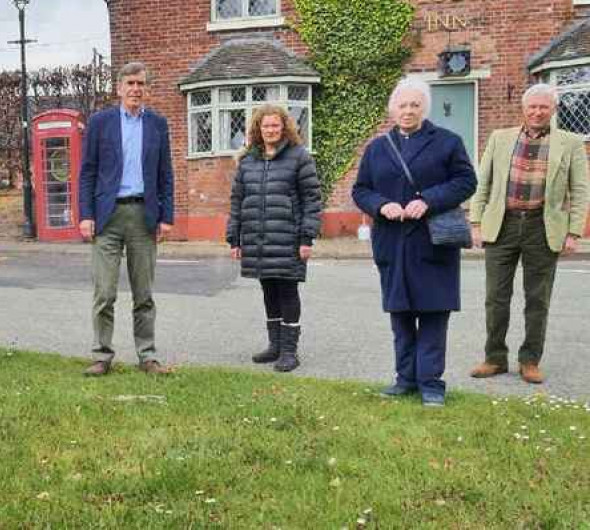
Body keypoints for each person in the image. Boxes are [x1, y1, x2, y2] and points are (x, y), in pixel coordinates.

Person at [352, 76, 477, 407]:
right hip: (393, 243)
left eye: (415, 105)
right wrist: (381, 205)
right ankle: (404, 379)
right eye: (402, 105)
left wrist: (429, 200)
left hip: (433, 242)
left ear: (425, 108)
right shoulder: (377, 148)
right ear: (393, 110)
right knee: (401, 315)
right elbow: (360, 189)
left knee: (434, 315)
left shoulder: (447, 142)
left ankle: (432, 383)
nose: (408, 111)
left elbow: (466, 181)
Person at [468, 84, 589, 384]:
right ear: (523, 109)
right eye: (532, 107)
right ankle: (494, 358)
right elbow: (483, 183)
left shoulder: (571, 143)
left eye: (543, 107)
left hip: (542, 227)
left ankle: (530, 360)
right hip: (502, 225)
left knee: (538, 299)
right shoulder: (500, 138)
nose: (537, 112)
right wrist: (476, 222)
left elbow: (580, 190)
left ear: (553, 110)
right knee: (496, 297)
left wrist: (573, 232)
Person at [78, 61, 175, 376]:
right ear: (118, 88)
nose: (135, 89)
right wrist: (86, 214)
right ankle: (101, 355)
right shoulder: (100, 123)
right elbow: (87, 172)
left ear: (147, 89)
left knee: (143, 294)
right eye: (130, 83)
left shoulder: (158, 125)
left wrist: (166, 216)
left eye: (141, 84)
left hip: (143, 215)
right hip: (107, 216)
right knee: (104, 292)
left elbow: (166, 174)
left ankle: (147, 355)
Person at [226, 104, 322, 372]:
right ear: (258, 128)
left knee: (287, 291)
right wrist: (234, 238)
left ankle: (290, 352)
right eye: (265, 125)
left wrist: (307, 237)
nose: (270, 130)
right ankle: (275, 346)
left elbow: (312, 199)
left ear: (284, 127)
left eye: (275, 125)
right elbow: (237, 201)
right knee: (268, 291)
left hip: (289, 237)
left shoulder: (299, 156)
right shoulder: (247, 161)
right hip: (257, 238)